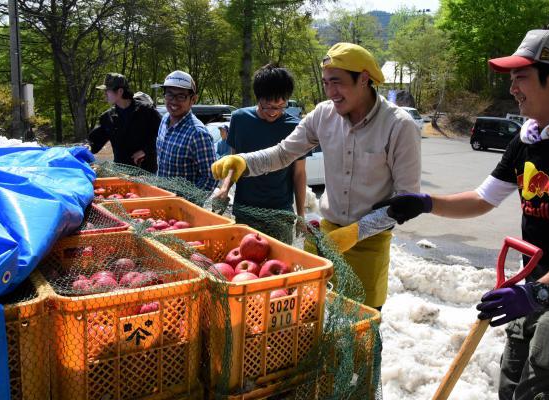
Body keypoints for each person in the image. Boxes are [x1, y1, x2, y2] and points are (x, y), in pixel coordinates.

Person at [375, 30, 549, 399]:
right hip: (532, 287)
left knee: (545, 392)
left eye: (521, 77)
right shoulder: (529, 138)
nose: (513, 88)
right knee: (510, 386)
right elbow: (483, 198)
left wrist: (540, 292)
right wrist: (427, 203)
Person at [212, 44, 421, 309]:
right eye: (325, 83)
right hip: (326, 235)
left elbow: (407, 201)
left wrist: (357, 231)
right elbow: (283, 153)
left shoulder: (399, 125)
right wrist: (244, 160)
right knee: (313, 315)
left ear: (365, 79)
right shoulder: (324, 114)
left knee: (361, 324)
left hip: (370, 243)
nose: (331, 92)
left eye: (337, 82)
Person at [214, 64, 307, 244]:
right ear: (258, 98)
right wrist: (224, 189)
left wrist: (301, 215)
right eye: (268, 107)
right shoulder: (239, 119)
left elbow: (299, 173)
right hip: (245, 209)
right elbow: (235, 162)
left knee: (281, 265)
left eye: (281, 107)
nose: (274, 113)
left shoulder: (294, 127)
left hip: (281, 213)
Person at [156, 70, 217, 191]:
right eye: (169, 94)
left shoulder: (198, 134)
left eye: (181, 96)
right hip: (161, 200)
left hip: (182, 207)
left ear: (193, 99)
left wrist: (188, 203)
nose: (173, 101)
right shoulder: (164, 120)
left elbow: (211, 177)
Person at [88, 73, 160, 172]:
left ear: (120, 91)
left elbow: (163, 135)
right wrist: (82, 149)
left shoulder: (147, 111)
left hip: (147, 173)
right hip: (121, 175)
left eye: (107, 91)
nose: (104, 94)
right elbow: (93, 143)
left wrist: (145, 150)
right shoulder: (107, 118)